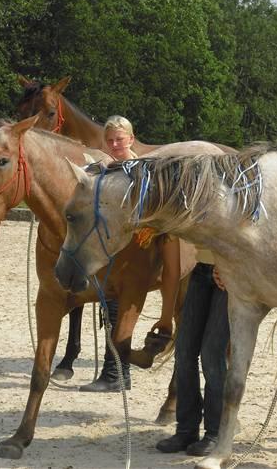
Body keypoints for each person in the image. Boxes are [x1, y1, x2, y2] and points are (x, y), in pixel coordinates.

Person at [80, 115, 180, 392]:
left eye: (119, 140)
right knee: (111, 306)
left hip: (150, 236)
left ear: (131, 140)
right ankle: (116, 373)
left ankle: (165, 319)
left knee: (172, 266)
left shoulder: (145, 167)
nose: (114, 145)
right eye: (110, 140)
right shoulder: (100, 167)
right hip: (114, 245)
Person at [155, 247, 229, 457]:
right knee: (184, 351)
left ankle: (215, 433)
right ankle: (186, 430)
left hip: (232, 273)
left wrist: (226, 263)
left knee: (212, 355)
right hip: (201, 270)